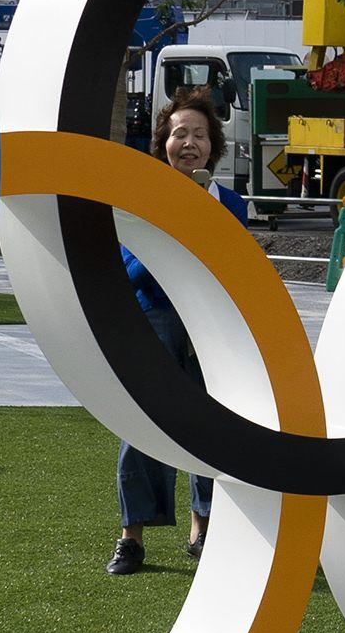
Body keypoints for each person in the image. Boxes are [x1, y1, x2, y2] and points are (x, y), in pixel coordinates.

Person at [106, 97, 248, 576]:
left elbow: (238, 271)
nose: (189, 143)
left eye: (200, 135)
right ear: (162, 142)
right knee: (144, 424)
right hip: (156, 320)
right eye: (179, 133)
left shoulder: (231, 204)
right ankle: (132, 538)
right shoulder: (137, 197)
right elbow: (125, 272)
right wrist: (176, 230)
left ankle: (203, 528)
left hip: (211, 329)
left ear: (214, 147)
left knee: (210, 427)